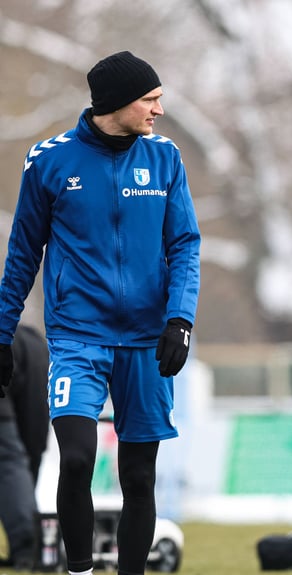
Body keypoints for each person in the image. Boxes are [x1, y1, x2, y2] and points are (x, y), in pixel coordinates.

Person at [0, 51, 201, 575]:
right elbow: (24, 253)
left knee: (139, 477)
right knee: (77, 459)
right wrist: (1, 334)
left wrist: (180, 318)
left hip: (146, 340)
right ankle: (81, 571)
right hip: (76, 339)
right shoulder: (49, 160)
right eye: (151, 99)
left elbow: (184, 245)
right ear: (117, 103)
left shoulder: (165, 159)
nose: (160, 108)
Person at [0, 324, 49, 571]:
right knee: (26, 453)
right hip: (31, 345)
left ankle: (28, 545)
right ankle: (32, 543)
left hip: (21, 345)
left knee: (9, 458)